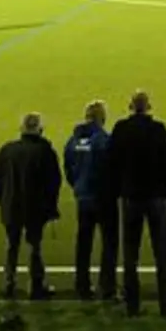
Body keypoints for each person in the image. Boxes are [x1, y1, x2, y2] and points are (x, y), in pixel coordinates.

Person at [108, 91, 166, 317]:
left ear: (130, 106)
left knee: (130, 254)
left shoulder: (121, 129)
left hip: (131, 197)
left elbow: (112, 162)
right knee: (162, 252)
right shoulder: (158, 129)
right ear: (148, 107)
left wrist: (120, 189)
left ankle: (132, 305)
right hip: (156, 197)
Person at [0, 112, 62, 300]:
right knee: (34, 245)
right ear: (40, 129)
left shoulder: (8, 150)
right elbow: (54, 181)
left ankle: (9, 283)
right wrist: (51, 206)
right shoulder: (45, 151)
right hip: (35, 207)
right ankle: (36, 285)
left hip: (11, 205)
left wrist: (3, 198)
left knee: (12, 245)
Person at [64, 101, 117, 301]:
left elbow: (68, 168)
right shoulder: (104, 140)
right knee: (109, 242)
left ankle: (82, 285)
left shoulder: (73, 141)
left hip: (83, 197)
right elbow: (111, 169)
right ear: (102, 118)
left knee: (84, 242)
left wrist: (78, 187)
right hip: (103, 199)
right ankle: (107, 286)